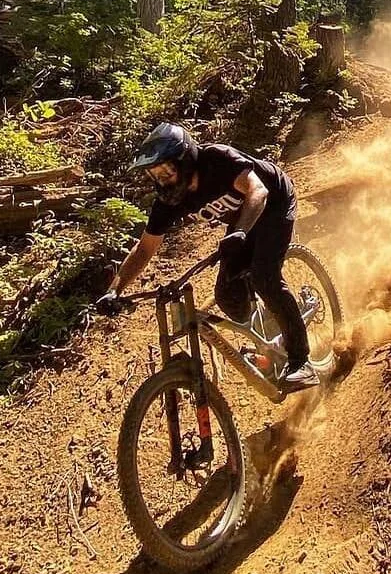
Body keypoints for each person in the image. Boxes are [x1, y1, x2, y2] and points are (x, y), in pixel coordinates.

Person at [105, 122, 318, 391]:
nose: (162, 180)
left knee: (265, 278)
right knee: (227, 296)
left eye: (166, 171)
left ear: (184, 159)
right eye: (154, 175)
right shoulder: (169, 202)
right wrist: (114, 290)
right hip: (243, 221)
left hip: (273, 202)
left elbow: (258, 191)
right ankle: (279, 331)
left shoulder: (217, 159)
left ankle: (302, 361)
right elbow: (145, 248)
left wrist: (239, 232)